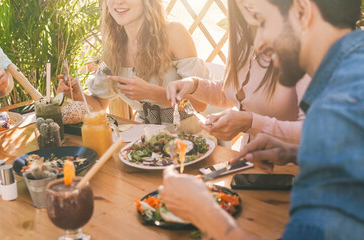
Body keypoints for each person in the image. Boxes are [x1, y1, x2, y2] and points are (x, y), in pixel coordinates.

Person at [160, 0, 364, 239]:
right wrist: (290, 151)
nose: (257, 44)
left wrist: (206, 214)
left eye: (265, 22)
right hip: (255, 175)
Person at [166, 0, 310, 145]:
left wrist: (249, 122)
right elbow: (235, 93)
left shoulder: (307, 41)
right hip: (249, 161)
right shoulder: (242, 33)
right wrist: (194, 84)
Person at [57, 0, 211, 128]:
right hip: (144, 138)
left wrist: (152, 93)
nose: (118, 2)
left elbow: (200, 104)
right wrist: (76, 94)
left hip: (188, 136)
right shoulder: (113, 48)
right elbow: (99, 105)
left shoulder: (173, 33)